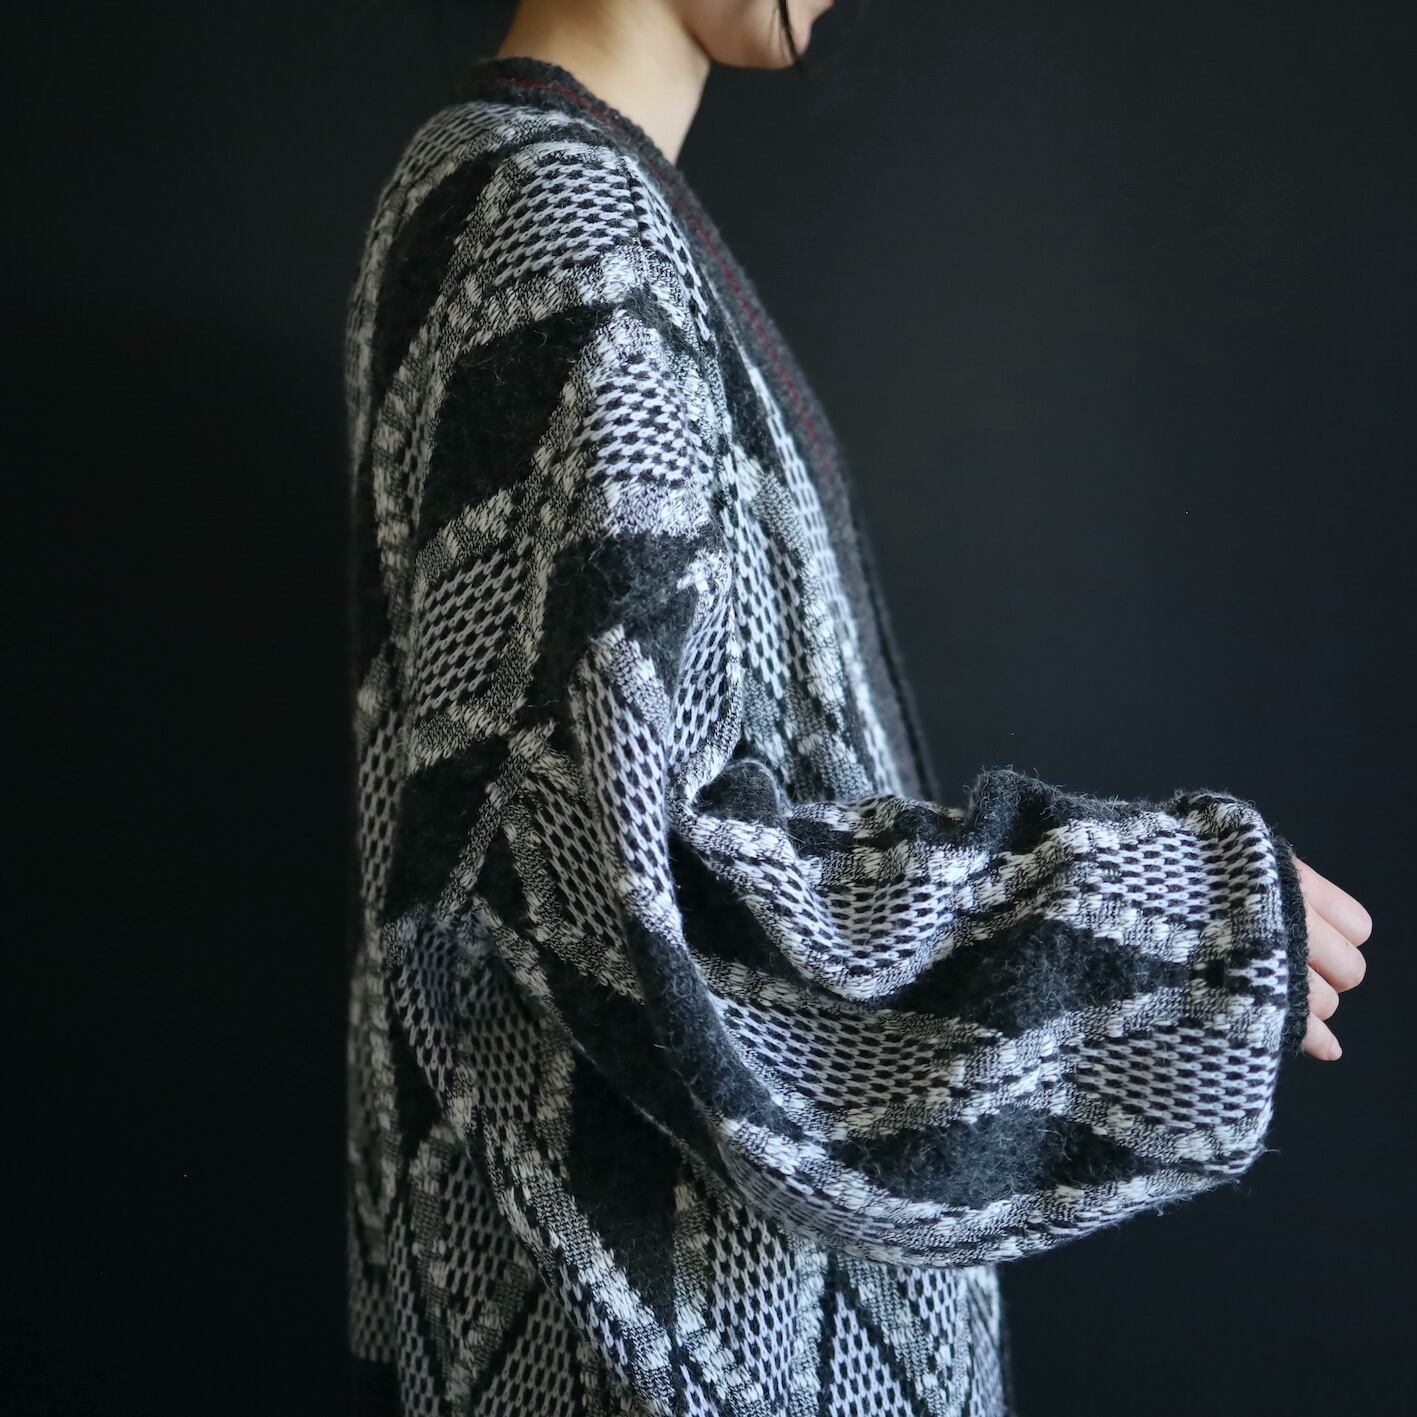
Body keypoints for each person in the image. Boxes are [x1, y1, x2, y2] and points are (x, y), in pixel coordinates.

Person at [342, 2, 1374, 1413]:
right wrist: (1172, 927)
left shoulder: (517, 195)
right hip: (679, 1351)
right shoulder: (557, 217)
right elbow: (642, 895)